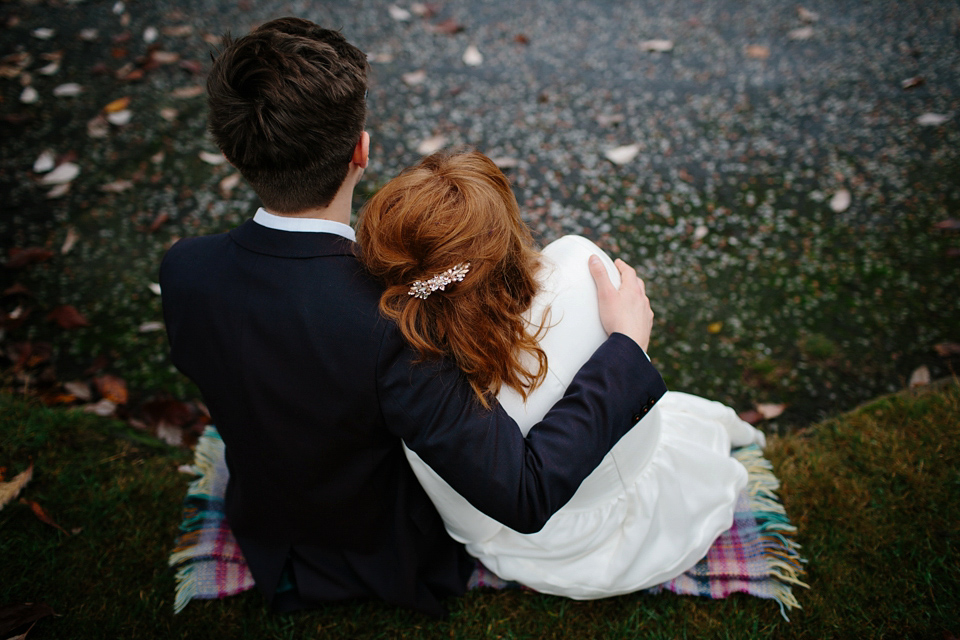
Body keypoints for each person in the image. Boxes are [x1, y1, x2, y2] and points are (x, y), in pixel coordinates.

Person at [159, 17, 666, 617]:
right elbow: (525, 492)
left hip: (267, 524)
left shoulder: (185, 268)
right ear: (361, 150)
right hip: (381, 553)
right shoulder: (393, 321)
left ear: (228, 150)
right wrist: (627, 349)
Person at [355, 151, 767, 597]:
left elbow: (471, 525)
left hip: (569, 541)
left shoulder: (448, 402)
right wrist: (625, 344)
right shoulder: (578, 260)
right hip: (659, 469)